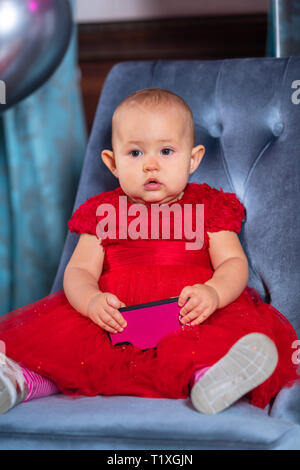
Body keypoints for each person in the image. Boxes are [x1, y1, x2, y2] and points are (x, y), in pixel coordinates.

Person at [0, 88, 298, 416]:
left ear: (193, 159)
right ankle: (17, 381)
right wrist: (91, 301)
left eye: (167, 151)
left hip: (190, 314)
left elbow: (232, 262)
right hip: (114, 320)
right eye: (136, 154)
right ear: (112, 163)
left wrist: (213, 293)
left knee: (212, 341)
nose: (151, 165)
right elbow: (80, 271)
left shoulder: (208, 206)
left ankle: (214, 380)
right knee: (65, 354)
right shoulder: (103, 211)